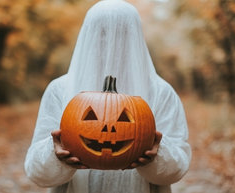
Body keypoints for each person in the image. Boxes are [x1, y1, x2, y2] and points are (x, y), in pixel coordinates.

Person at [24, 0, 192, 192]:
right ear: (89, 35)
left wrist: (159, 155)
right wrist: (54, 155)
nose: (112, 44)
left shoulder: (161, 92)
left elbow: (179, 164)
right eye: (102, 34)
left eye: (121, 35)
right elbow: (35, 170)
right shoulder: (59, 90)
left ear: (135, 37)